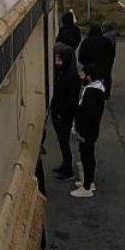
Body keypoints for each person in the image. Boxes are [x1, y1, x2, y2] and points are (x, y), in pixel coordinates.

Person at [70, 70, 107, 198]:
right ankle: (88, 181)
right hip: (91, 131)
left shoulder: (91, 93)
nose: (81, 76)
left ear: (89, 77)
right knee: (87, 155)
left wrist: (80, 131)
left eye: (83, 74)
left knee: (87, 156)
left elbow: (88, 115)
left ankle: (87, 186)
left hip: (87, 132)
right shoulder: (97, 89)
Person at [49, 43, 80, 180]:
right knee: (62, 142)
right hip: (59, 112)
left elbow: (71, 100)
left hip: (64, 114)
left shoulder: (71, 77)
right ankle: (65, 164)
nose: (57, 62)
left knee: (64, 141)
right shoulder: (62, 73)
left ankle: (67, 169)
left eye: (59, 59)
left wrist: (63, 114)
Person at [78, 22, 116, 98]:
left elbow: (81, 56)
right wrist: (109, 63)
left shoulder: (86, 42)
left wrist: (85, 64)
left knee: (87, 78)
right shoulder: (106, 41)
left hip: (90, 66)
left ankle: (88, 92)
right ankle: (106, 94)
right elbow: (111, 54)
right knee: (107, 77)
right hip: (104, 66)